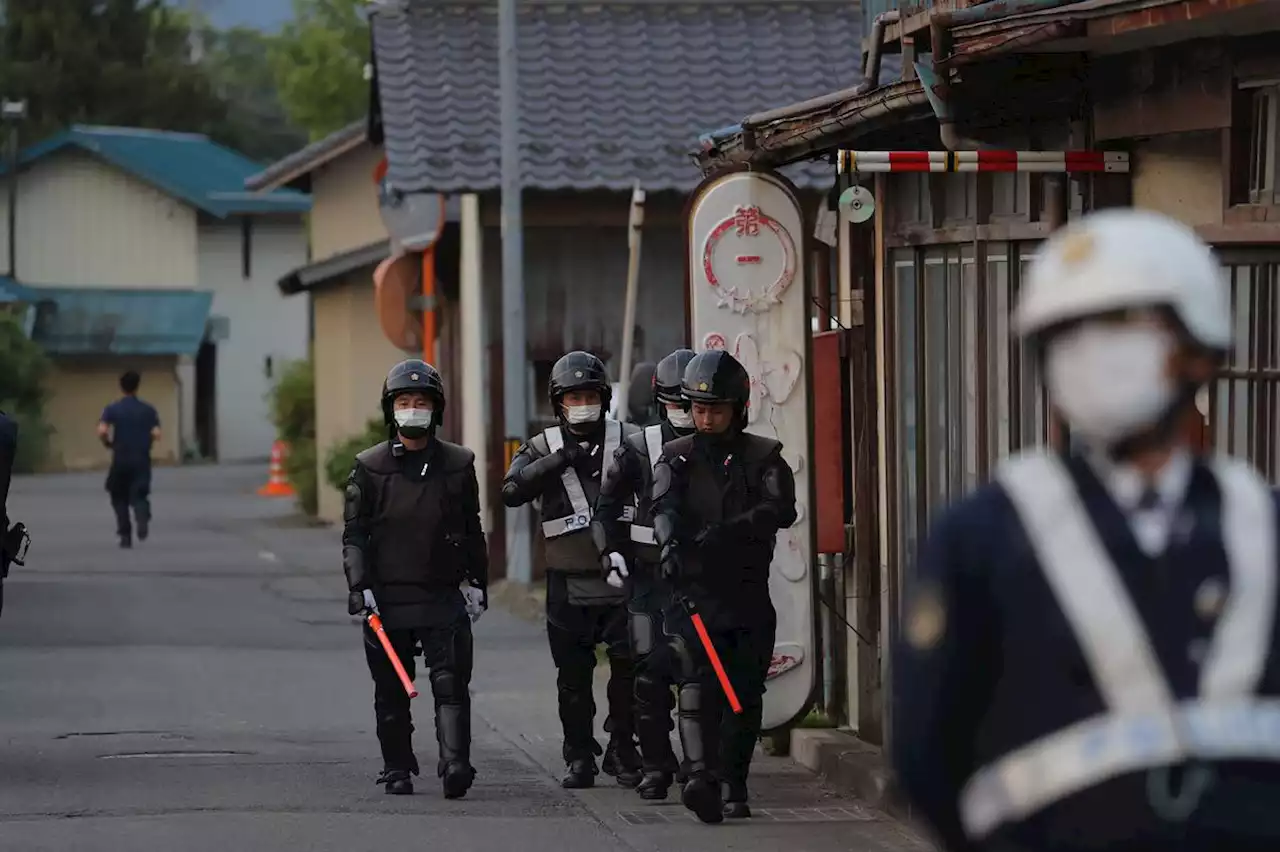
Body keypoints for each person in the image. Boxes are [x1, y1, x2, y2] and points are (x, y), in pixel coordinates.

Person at [891, 208, 1280, 852]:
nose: (1092, 353)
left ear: (1198, 348)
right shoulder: (983, 536)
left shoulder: (1265, 524)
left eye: (1123, 324)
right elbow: (927, 748)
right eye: (1066, 334)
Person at [650, 349, 797, 823]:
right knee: (695, 685)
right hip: (693, 594)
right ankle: (699, 777)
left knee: (743, 693)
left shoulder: (764, 456)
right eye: (697, 408)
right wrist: (670, 545)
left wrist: (730, 531)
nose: (705, 417)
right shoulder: (676, 456)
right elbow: (663, 507)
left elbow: (780, 509)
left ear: (738, 407)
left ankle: (734, 780)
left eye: (715, 408)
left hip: (746, 592)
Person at [342, 359, 489, 799]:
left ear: (435, 409)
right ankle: (397, 767)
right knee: (391, 689)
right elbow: (355, 534)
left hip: (443, 592)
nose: (412, 409)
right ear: (391, 410)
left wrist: (477, 582)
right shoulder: (369, 468)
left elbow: (472, 527)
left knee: (450, 682)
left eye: (420, 402)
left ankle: (456, 762)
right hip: (387, 595)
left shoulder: (459, 464)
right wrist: (358, 584)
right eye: (404, 402)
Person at [502, 351, 644, 789]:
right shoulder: (542, 445)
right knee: (573, 676)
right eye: (572, 397)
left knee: (630, 670)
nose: (581, 404)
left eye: (589, 395)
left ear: (603, 398)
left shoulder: (632, 438)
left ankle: (623, 747)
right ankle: (579, 754)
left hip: (622, 574)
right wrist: (556, 461)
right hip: (568, 578)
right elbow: (511, 491)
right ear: (558, 403)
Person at [592, 348, 697, 800]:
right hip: (648, 579)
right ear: (659, 402)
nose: (688, 415)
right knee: (648, 675)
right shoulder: (637, 448)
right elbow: (605, 510)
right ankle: (655, 766)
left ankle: (705, 767)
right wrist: (609, 552)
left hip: (704, 579)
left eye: (693, 404)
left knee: (702, 676)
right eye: (677, 404)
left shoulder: (728, 449)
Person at [97, 370, 160, 548]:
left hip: (121, 459)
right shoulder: (149, 410)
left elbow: (102, 430)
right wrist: (146, 441)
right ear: (137, 386)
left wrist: (108, 443)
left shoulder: (113, 409)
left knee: (118, 495)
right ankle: (141, 516)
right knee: (139, 493)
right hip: (141, 459)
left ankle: (125, 535)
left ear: (121, 386)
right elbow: (157, 433)